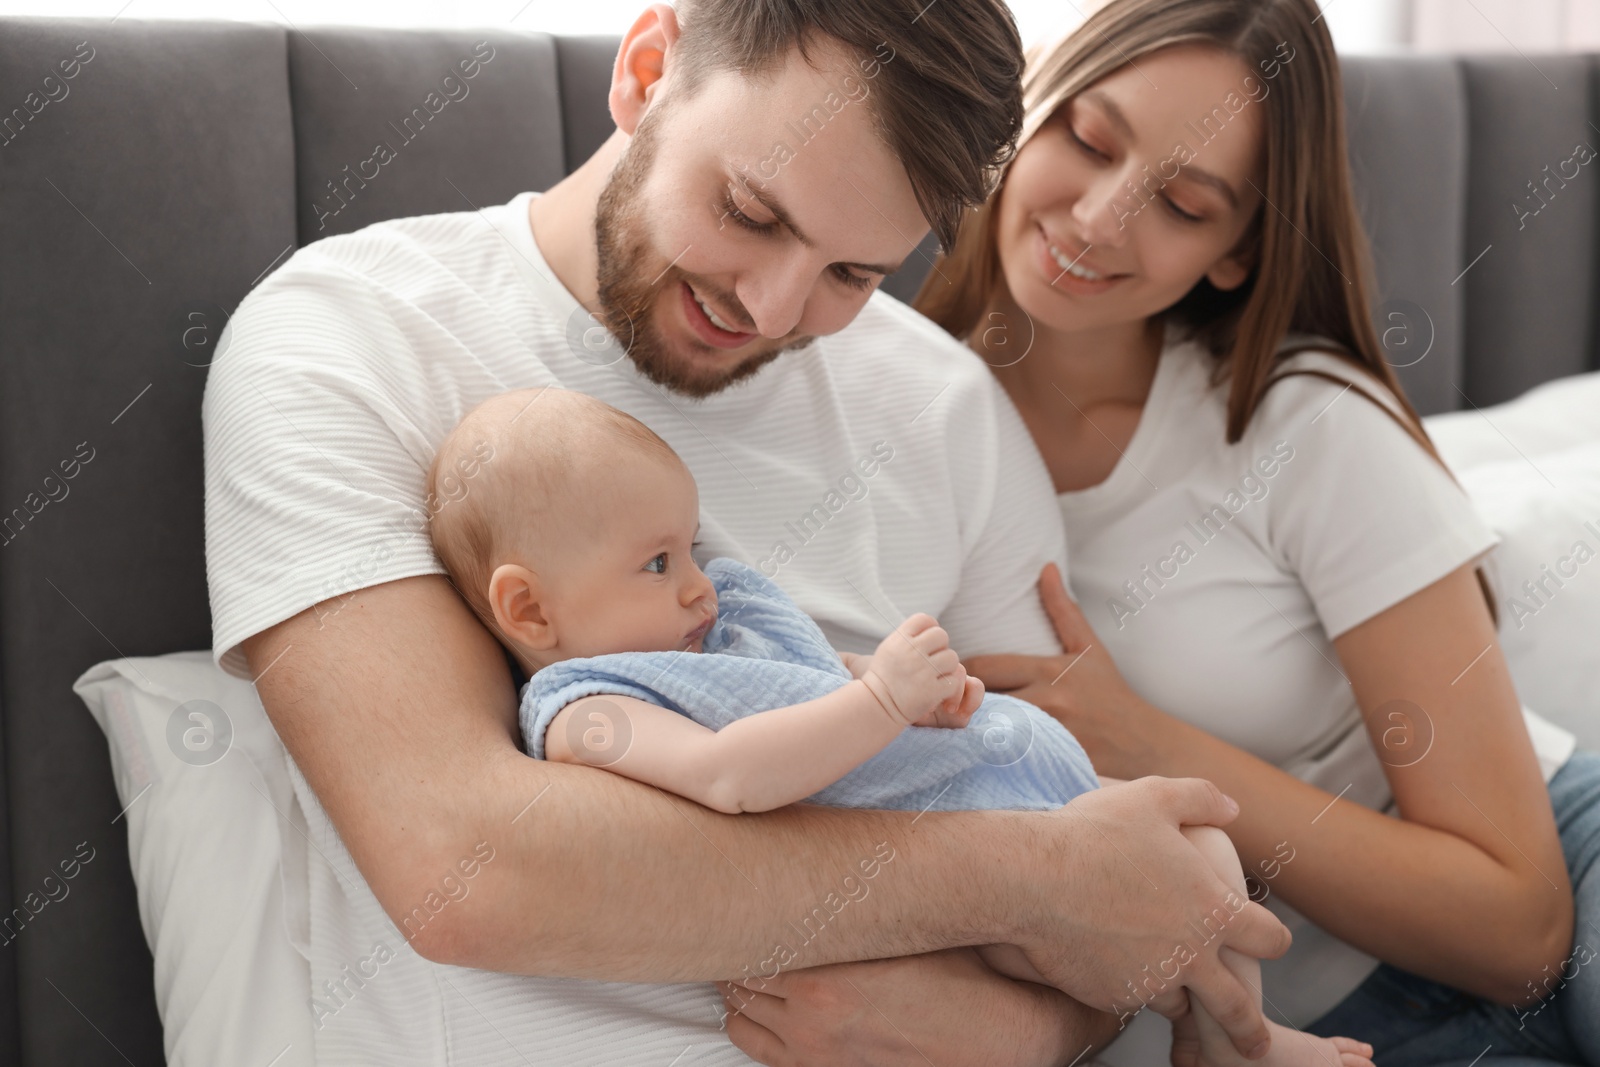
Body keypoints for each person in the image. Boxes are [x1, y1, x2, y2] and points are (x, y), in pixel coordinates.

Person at [202, 1, 1293, 1064]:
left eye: (851, 274)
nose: (770, 311)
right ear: (645, 71)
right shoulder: (352, 343)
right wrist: (1028, 879)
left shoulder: (947, 411)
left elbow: (1111, 890)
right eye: (751, 214)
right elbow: (468, 868)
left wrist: (1034, 1034)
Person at [881, 0, 1595, 1064]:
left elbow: (1521, 928)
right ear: (1027, 106)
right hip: (1281, 1026)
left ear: (1232, 253)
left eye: (1180, 201)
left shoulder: (1302, 424)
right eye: (1088, 137)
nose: (1099, 218)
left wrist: (1145, 740)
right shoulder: (875, 405)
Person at [426, 386, 1374, 1067]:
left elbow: (806, 675)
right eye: (656, 561)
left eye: (691, 545)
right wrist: (878, 700)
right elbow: (729, 774)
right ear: (532, 613)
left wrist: (923, 697)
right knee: (1150, 909)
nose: (696, 581)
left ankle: (1212, 1042)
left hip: (1013, 793)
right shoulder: (590, 709)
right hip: (938, 902)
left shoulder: (715, 618)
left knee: (1205, 847)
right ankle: (1245, 1042)